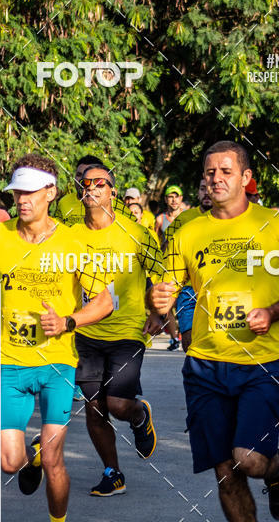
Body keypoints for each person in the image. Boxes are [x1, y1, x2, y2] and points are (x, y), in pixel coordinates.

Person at [151, 140, 279, 522]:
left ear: (246, 178)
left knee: (248, 459)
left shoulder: (278, 224)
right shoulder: (186, 230)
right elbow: (166, 291)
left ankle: (275, 468)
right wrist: (159, 302)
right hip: (205, 363)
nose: (215, 179)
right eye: (209, 172)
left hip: (265, 359)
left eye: (225, 171)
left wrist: (275, 312)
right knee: (224, 468)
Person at [0, 154, 113, 522]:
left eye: (31, 191)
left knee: (55, 458)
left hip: (57, 363)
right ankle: (30, 457)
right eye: (17, 191)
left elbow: (105, 301)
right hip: (10, 363)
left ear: (51, 192)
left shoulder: (74, 242)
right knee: (9, 462)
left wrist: (68, 320)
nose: (22, 199)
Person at [72, 162, 164, 495]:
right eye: (86, 184)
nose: (92, 188)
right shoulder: (70, 235)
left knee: (117, 404)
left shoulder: (137, 234)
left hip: (127, 332)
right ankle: (113, 473)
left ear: (113, 191)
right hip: (86, 334)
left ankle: (139, 416)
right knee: (94, 406)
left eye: (100, 183)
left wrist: (159, 313)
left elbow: (163, 276)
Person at [164, 177, 213, 352]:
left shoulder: (227, 220)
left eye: (210, 188)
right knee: (189, 343)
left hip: (216, 290)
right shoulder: (185, 218)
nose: (206, 192)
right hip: (189, 290)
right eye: (202, 188)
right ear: (198, 193)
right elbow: (166, 245)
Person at [154, 183, 185, 349]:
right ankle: (174, 338)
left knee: (185, 303)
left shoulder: (188, 217)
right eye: (170, 197)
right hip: (167, 267)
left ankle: (186, 334)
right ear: (166, 199)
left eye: (177, 196)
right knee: (165, 305)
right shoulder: (160, 219)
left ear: (181, 198)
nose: (174, 200)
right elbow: (155, 242)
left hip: (186, 267)